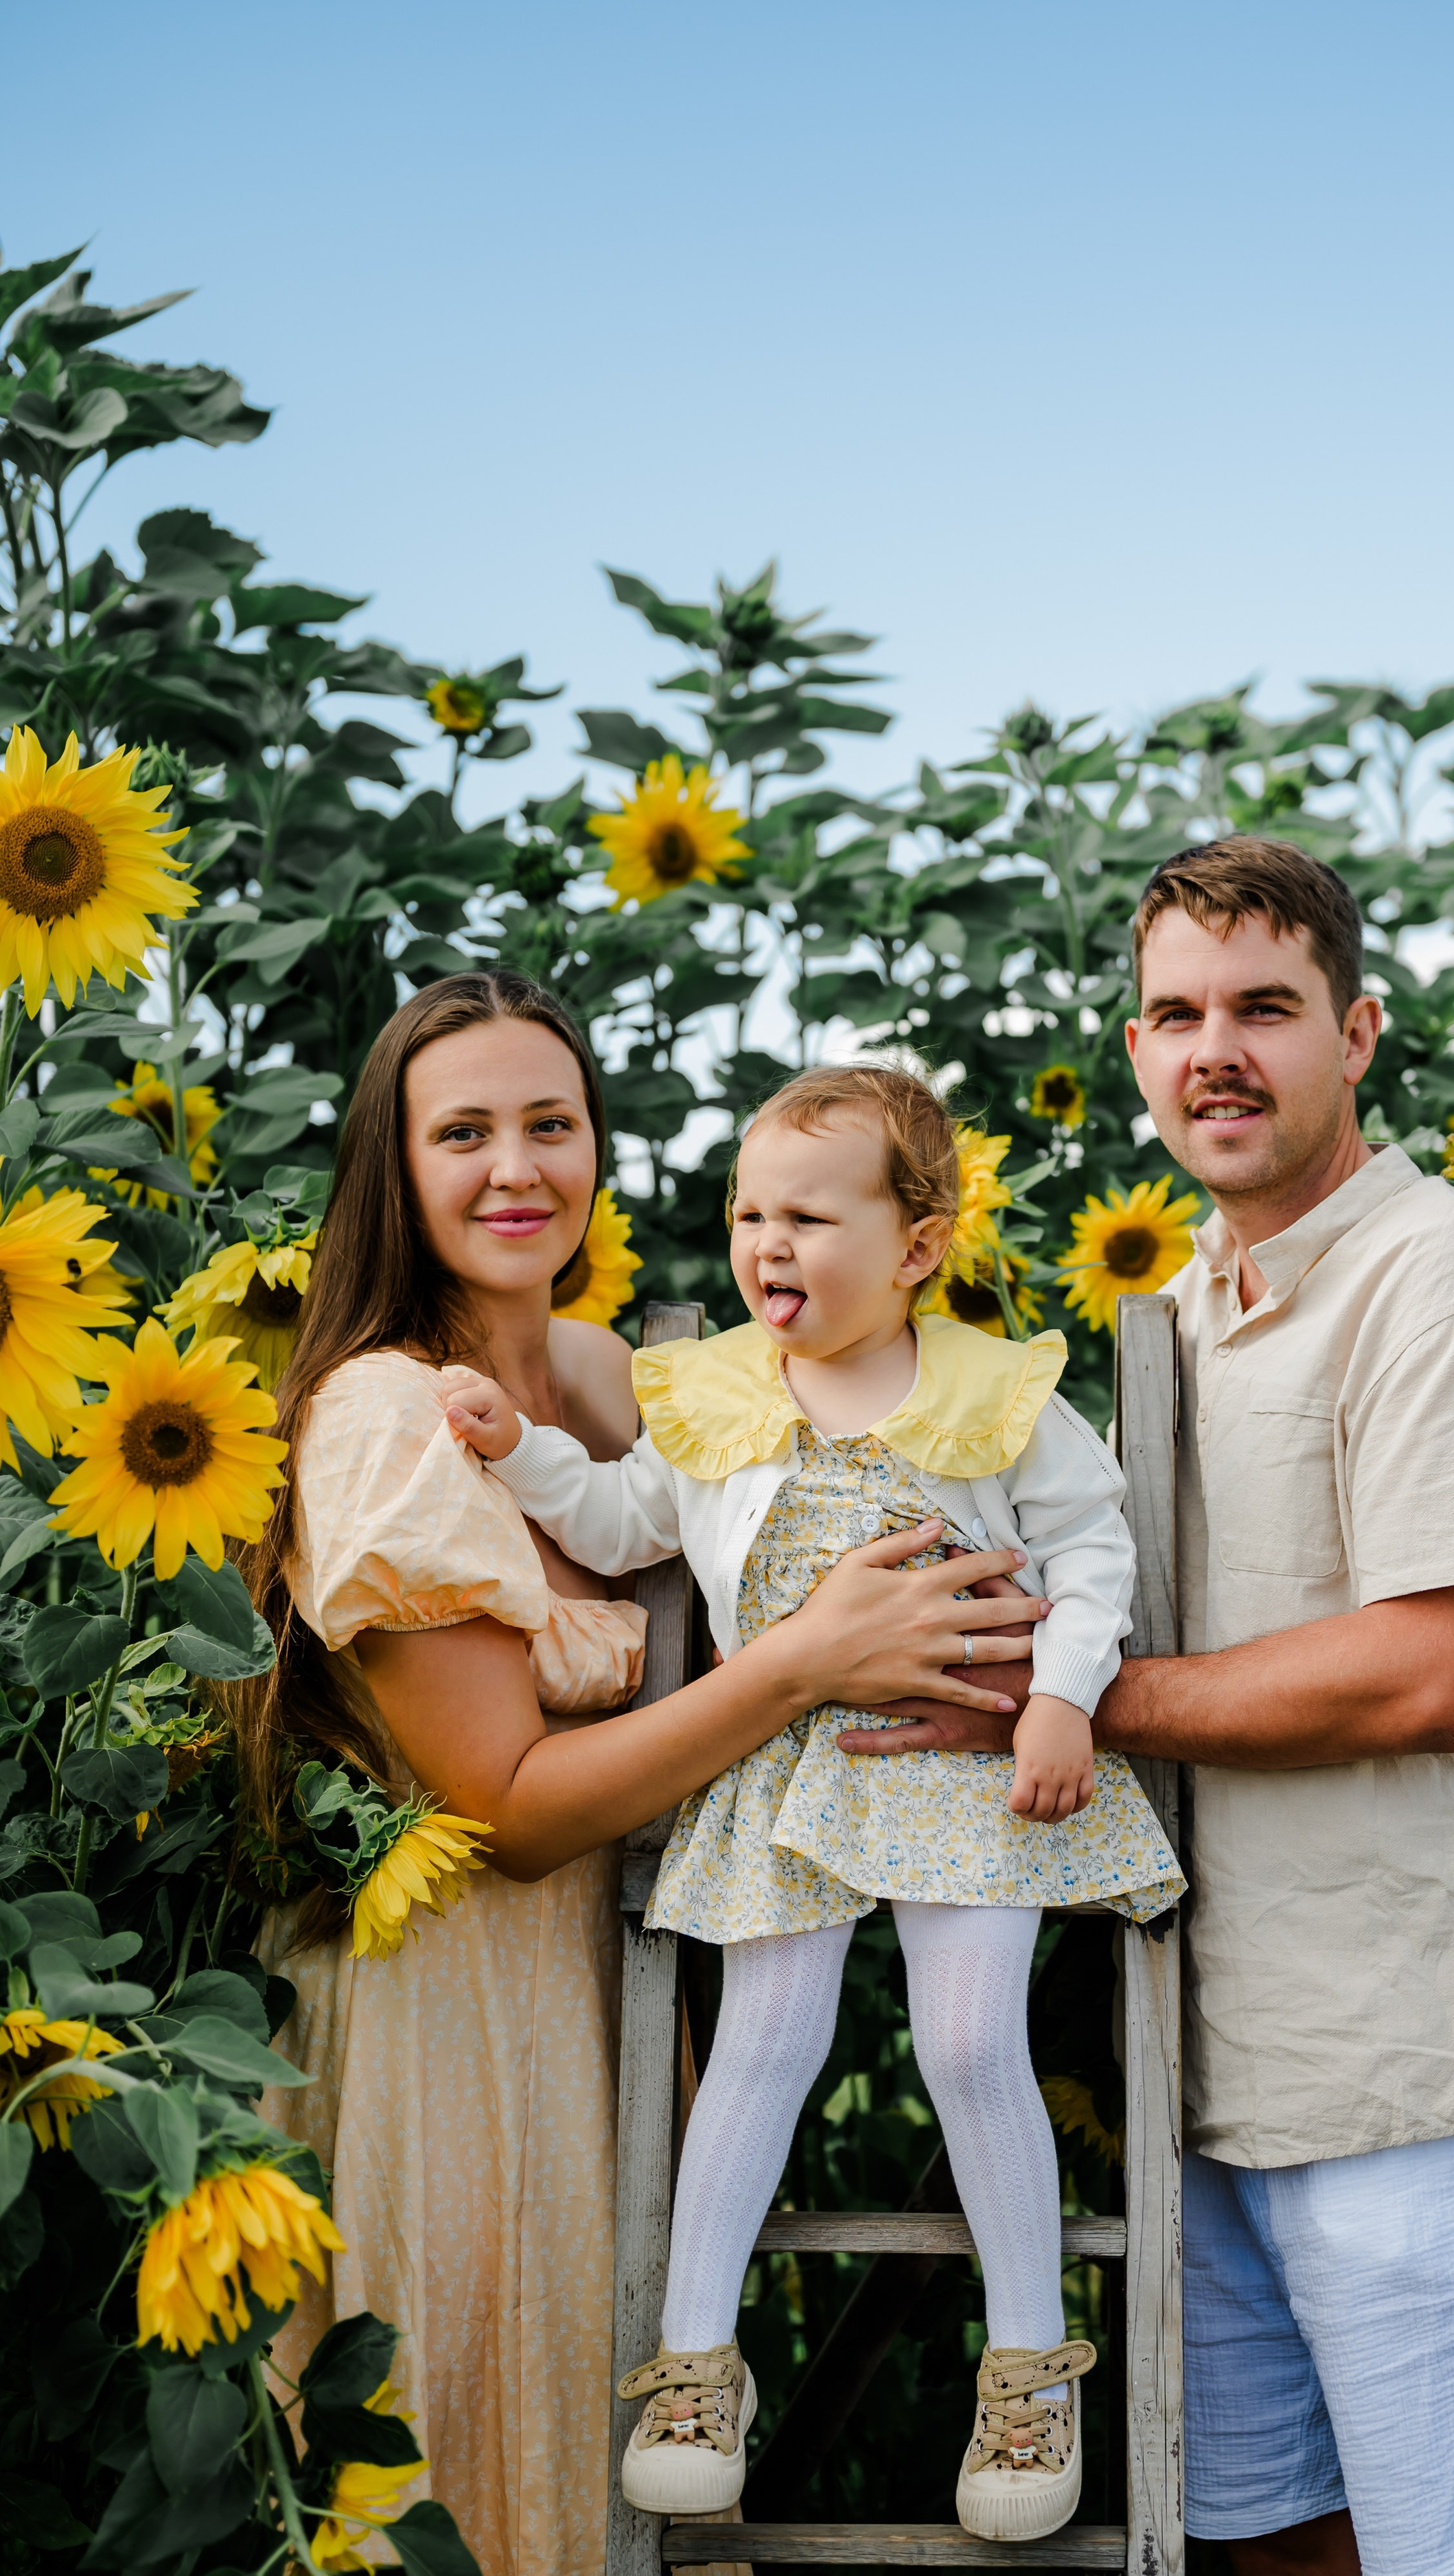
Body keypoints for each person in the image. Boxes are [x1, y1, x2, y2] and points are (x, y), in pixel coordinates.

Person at [841, 838, 1454, 2576]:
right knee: (1274, 2539)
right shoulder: (1170, 1317)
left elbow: (1426, 1670)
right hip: (1205, 2052)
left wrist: (1067, 1702)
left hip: (1415, 2050)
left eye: (1262, 1008)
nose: (1216, 1050)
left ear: (1353, 1033)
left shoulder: (1444, 1275)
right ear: (1131, 1050)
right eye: (1175, 1012)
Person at [233, 977, 1040, 2576]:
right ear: (393, 1168)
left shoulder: (625, 1381)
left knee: (645, 2473)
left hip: (628, 1985)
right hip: (451, 2014)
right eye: (460, 1131)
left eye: (551, 1122)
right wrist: (804, 1658)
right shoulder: (385, 1415)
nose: (514, 1165)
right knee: (487, 2465)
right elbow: (510, 1806)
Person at [440, 1062, 1185, 2544]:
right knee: (764, 2039)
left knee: (972, 2038)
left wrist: (1059, 1697)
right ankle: (696, 2365)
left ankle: (1027, 2367)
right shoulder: (717, 1394)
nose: (766, 1244)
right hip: (789, 1767)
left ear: (915, 1246)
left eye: (808, 1216)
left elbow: (1092, 1555)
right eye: (746, 1213)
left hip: (965, 1764)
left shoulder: (992, 1390)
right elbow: (620, 1516)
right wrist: (516, 1450)